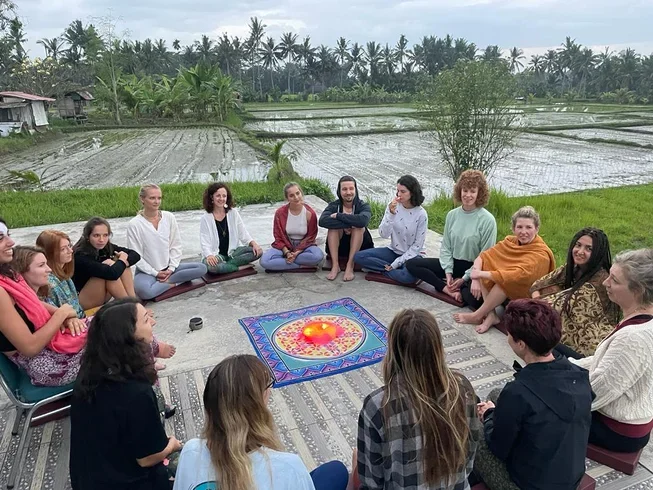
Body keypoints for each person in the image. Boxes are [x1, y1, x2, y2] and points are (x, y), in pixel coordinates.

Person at [173, 354, 349, 490]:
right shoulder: (287, 467)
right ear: (257, 410)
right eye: (266, 389)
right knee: (336, 471)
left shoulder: (190, 451)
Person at [474, 299, 592, 490]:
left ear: (521, 344)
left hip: (529, 485)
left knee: (471, 429)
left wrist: (488, 416)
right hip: (570, 476)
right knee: (497, 394)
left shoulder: (518, 392)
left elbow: (498, 448)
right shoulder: (578, 375)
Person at [357, 309, 481, 489]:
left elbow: (371, 482)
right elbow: (469, 457)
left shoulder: (378, 405)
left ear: (393, 349)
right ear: (438, 348)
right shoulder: (463, 389)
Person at [70, 298, 182, 490]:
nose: (153, 322)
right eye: (146, 320)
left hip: (87, 479)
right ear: (128, 335)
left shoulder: (89, 371)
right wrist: (172, 445)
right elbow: (147, 459)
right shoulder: (135, 392)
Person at [36, 230, 176, 371]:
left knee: (123, 287)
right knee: (123, 321)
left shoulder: (65, 270)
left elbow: (133, 256)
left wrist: (117, 262)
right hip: (76, 321)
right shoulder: (56, 275)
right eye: (63, 249)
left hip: (79, 314)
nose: (70, 251)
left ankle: (147, 346)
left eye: (69, 246)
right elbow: (54, 312)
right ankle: (149, 351)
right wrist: (118, 261)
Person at [570, 249, 653, 453]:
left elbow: (595, 394)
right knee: (555, 354)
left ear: (638, 291)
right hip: (624, 415)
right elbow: (606, 362)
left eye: (614, 280)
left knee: (529, 408)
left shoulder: (633, 337)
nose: (606, 283)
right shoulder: (642, 320)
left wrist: (548, 392)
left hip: (616, 430)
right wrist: (566, 365)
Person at [0, 219, 81, 387]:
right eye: (0, 238)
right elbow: (30, 347)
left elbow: (34, 303)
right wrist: (61, 314)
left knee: (121, 320)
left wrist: (67, 315)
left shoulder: (7, 276)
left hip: (51, 352)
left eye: (8, 234)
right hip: (47, 365)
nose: (11, 242)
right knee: (122, 335)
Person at [453, 206, 555, 333]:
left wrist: (481, 274)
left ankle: (477, 315)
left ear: (537, 229)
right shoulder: (510, 242)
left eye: (529, 227)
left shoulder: (541, 253)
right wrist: (475, 275)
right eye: (519, 227)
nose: (523, 232)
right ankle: (491, 315)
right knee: (488, 267)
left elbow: (519, 275)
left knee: (504, 282)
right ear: (513, 228)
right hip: (508, 291)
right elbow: (484, 256)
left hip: (527, 293)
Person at [406, 170, 496, 305]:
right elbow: (446, 246)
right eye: (465, 190)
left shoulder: (488, 220)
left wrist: (465, 278)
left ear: (480, 193)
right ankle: (447, 289)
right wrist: (448, 273)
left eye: (472, 191)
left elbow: (485, 256)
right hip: (453, 264)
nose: (468, 195)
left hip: (474, 268)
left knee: (475, 301)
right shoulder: (452, 215)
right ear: (459, 191)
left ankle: (461, 285)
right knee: (412, 264)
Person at [530, 227, 619, 357]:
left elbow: (559, 305)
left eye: (589, 249)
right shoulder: (574, 268)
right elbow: (537, 285)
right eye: (578, 245)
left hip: (589, 340)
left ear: (597, 253)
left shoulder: (600, 280)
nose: (580, 251)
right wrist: (537, 301)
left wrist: (534, 305)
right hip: (567, 321)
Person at [127, 184, 207, 300]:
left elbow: (176, 245)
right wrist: (155, 273)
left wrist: (171, 269)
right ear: (142, 199)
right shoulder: (134, 224)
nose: (156, 202)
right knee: (144, 292)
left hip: (169, 269)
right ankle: (175, 283)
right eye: (152, 198)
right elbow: (136, 256)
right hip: (147, 272)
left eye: (159, 198)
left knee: (202, 268)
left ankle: (168, 281)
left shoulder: (169, 217)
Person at [354, 175, 428, 284]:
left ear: (412, 193)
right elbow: (383, 234)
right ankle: (391, 270)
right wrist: (391, 215)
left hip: (414, 255)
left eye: (403, 191)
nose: (399, 194)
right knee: (358, 257)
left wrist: (396, 263)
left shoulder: (421, 214)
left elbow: (417, 246)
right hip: (394, 251)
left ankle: (383, 269)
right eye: (397, 191)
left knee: (408, 278)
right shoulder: (393, 206)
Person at [73, 216, 141, 311]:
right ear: (87, 236)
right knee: (112, 272)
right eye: (96, 235)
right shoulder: (80, 255)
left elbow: (135, 255)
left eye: (105, 235)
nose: (101, 239)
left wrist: (121, 261)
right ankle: (131, 309)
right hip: (82, 300)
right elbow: (111, 274)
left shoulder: (105, 246)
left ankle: (135, 304)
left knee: (124, 266)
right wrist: (120, 261)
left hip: (100, 294)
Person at [318, 176, 374, 282]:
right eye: (344, 189)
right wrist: (349, 224)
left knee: (358, 228)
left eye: (351, 188)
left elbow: (363, 221)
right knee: (333, 229)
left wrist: (339, 216)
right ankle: (335, 266)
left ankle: (350, 265)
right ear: (339, 191)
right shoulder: (334, 206)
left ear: (355, 190)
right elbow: (323, 221)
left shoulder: (363, 205)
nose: (348, 192)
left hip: (360, 248)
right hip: (340, 248)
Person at [199, 182, 263, 275]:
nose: (221, 199)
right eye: (218, 196)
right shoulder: (206, 218)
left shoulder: (233, 213)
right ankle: (237, 267)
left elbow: (243, 233)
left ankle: (227, 265)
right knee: (212, 268)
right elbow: (204, 242)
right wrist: (209, 255)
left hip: (232, 253)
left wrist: (254, 244)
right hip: (216, 255)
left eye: (224, 196)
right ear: (212, 197)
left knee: (258, 252)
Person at [260, 182, 324, 271]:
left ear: (301, 193)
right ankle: (301, 266)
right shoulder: (280, 213)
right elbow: (278, 237)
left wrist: (297, 252)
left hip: (304, 247)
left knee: (317, 256)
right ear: (287, 198)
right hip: (284, 247)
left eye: (298, 193)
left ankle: (282, 263)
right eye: (291, 195)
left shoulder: (310, 213)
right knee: (264, 261)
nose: (296, 197)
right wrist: (287, 253)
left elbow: (311, 237)